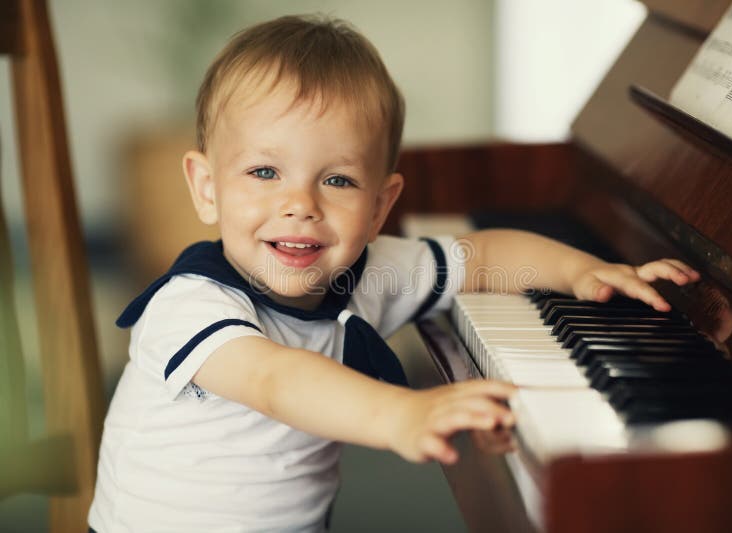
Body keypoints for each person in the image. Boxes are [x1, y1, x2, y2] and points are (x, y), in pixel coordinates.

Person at [87, 14, 700, 533]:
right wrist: (402, 414)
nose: (301, 203)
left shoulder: (372, 272)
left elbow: (482, 257)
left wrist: (584, 273)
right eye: (264, 173)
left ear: (381, 205)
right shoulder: (190, 305)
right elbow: (277, 380)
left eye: (338, 180)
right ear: (206, 188)